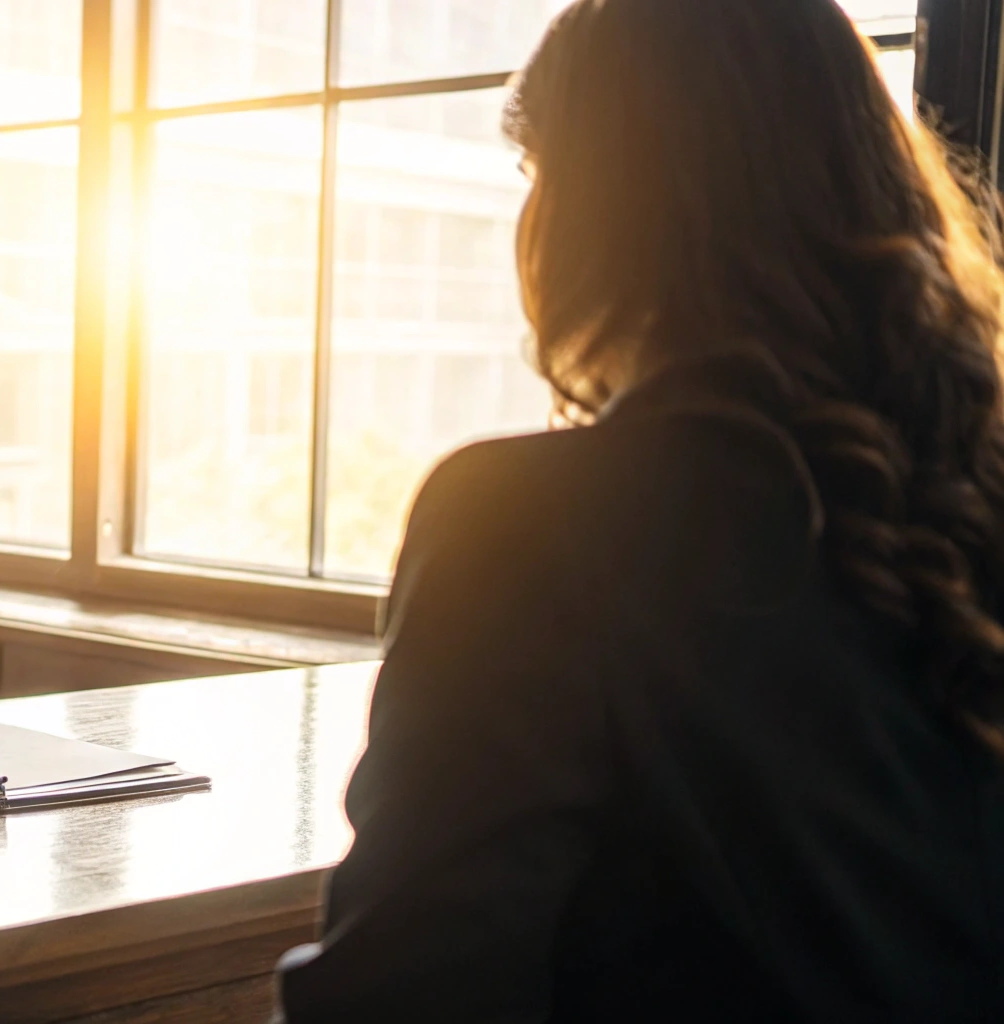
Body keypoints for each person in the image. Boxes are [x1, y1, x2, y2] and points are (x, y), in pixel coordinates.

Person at [279, 0, 1004, 1019]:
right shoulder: (967, 502)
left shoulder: (530, 524)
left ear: (598, 213)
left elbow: (399, 996)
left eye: (535, 172)